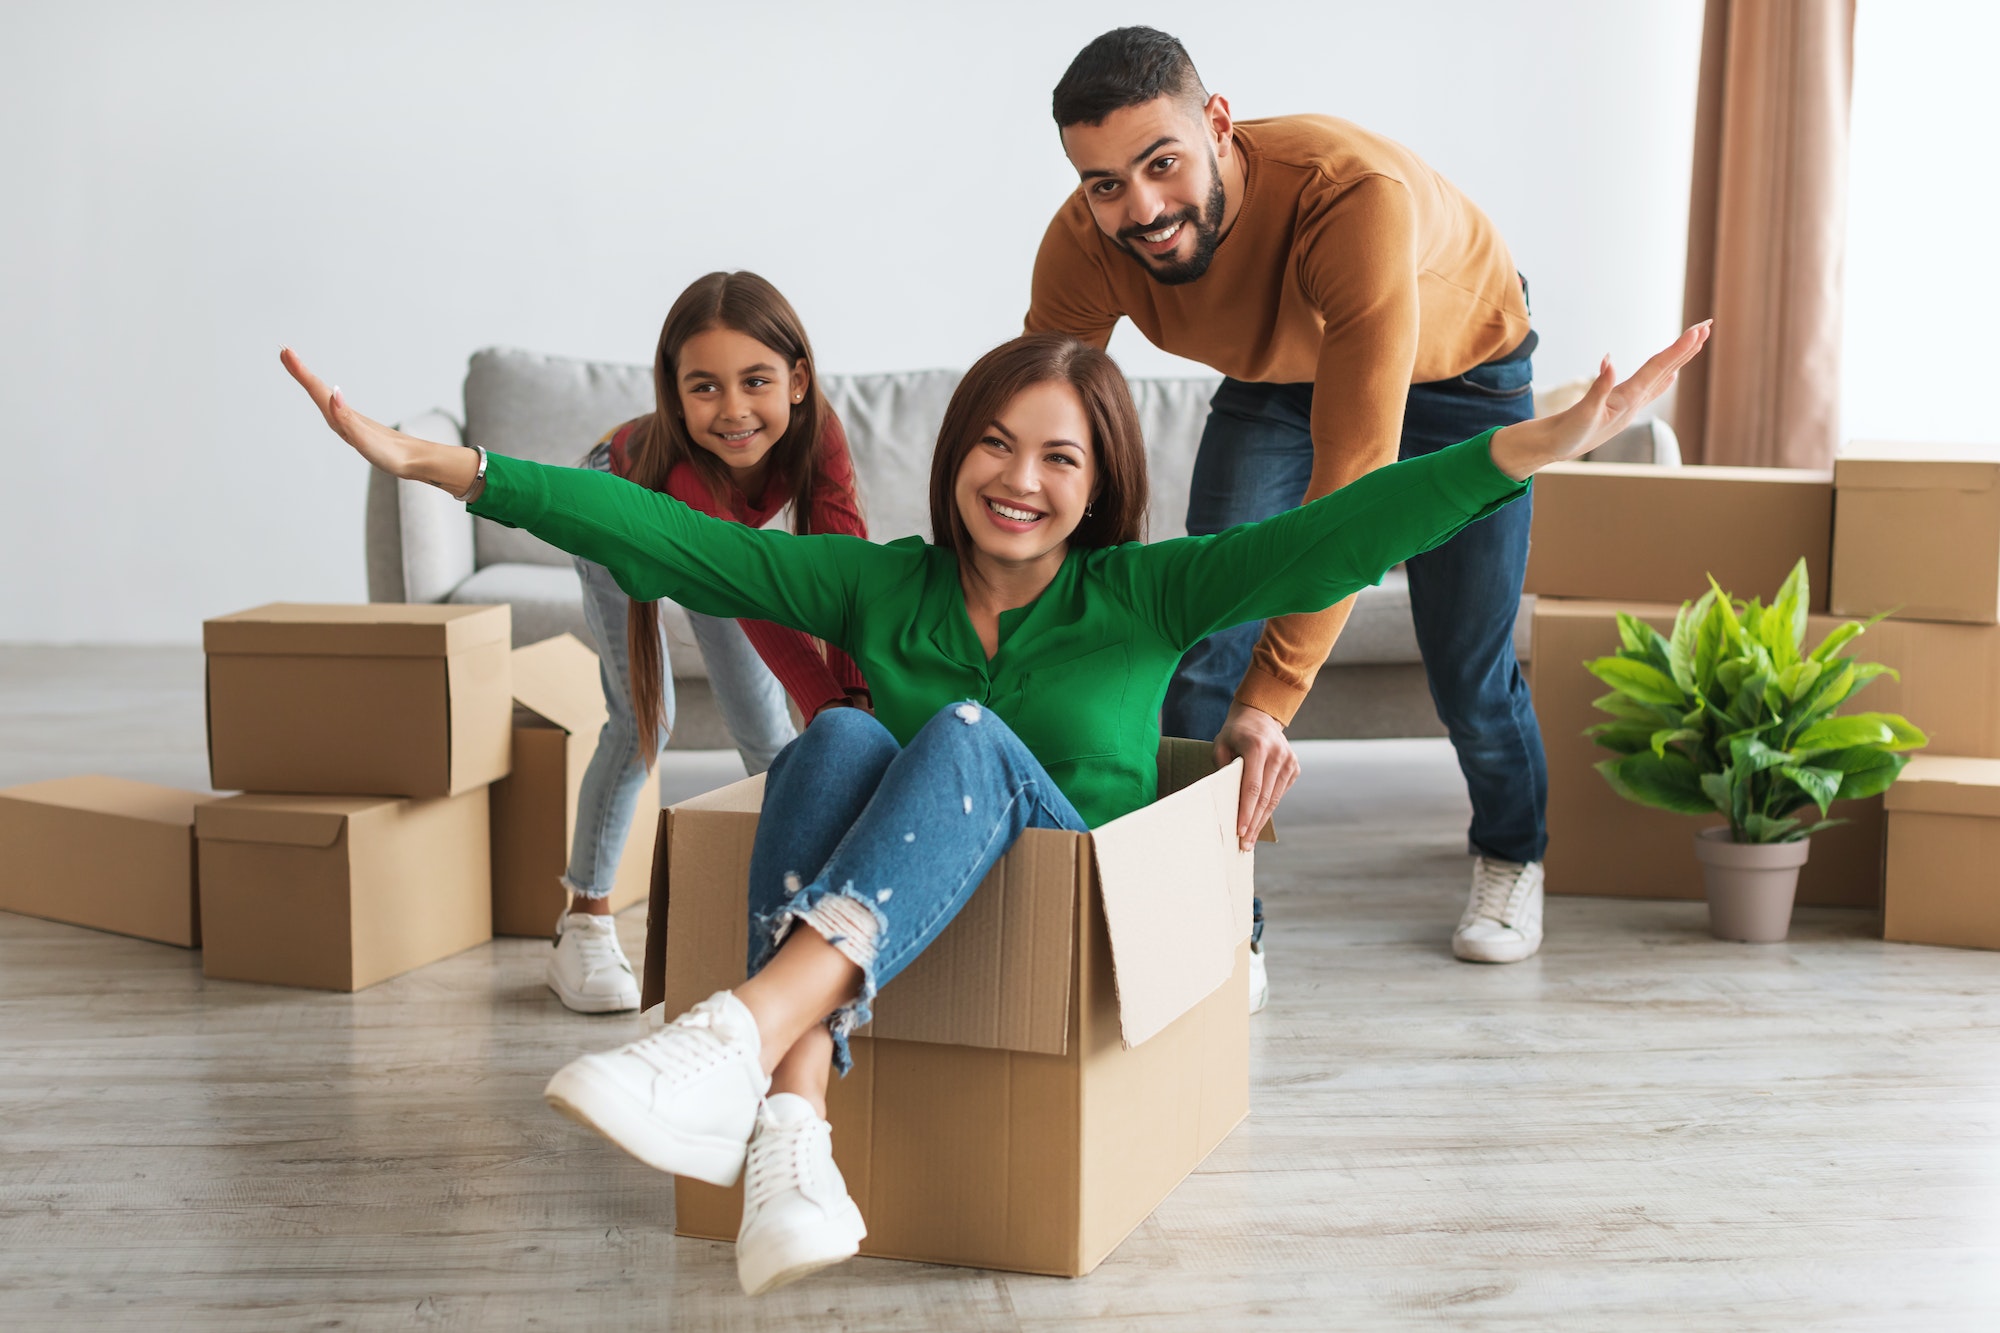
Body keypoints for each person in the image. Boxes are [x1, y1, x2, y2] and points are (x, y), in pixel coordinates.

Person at [282, 320, 1708, 1294]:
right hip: (910, 921)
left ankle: (732, 1033)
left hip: (1074, 921)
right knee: (836, 739)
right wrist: (453, 470)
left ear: (1097, 490)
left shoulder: (1148, 592)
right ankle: (792, 1128)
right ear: (957, 448)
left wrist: (1538, 443)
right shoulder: (880, 582)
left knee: (952, 730)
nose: (1020, 481)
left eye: (1060, 458)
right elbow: (679, 540)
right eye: (997, 446)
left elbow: (1347, 527)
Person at [1026, 27, 1552, 995]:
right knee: (1192, 637)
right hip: (1277, 378)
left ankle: (1511, 853)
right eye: (1103, 183)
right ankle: (1220, 913)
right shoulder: (1084, 242)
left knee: (1466, 668)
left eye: (1160, 163)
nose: (1138, 209)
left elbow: (1347, 496)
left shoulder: (1346, 198)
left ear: (1216, 123)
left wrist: (1266, 705)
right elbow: (1042, 425)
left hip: (1464, 376)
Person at [546, 272, 871, 1016]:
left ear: (795, 380)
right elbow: (762, 610)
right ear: (674, 390)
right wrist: (837, 721)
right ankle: (583, 923)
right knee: (641, 726)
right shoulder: (687, 472)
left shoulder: (820, 433)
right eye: (705, 388)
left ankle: (794, 907)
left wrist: (857, 707)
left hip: (727, 543)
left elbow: (842, 576)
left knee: (769, 734)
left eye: (754, 380)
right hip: (622, 509)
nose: (733, 411)